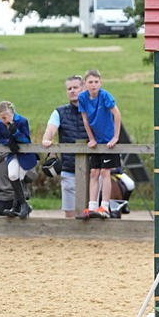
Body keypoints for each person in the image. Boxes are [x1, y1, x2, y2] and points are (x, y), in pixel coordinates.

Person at [77, 68, 122, 219]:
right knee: (94, 172)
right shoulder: (82, 98)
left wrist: (115, 137)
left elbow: (117, 114)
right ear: (85, 84)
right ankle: (92, 207)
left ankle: (105, 206)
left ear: (100, 83)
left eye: (96, 82)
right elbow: (85, 119)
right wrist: (91, 139)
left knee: (105, 172)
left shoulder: (105, 96)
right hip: (96, 140)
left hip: (108, 140)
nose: (93, 85)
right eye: (90, 82)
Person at [40, 74, 86, 218]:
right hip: (69, 168)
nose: (72, 91)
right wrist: (47, 140)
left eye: (75, 87)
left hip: (92, 169)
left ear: (83, 88)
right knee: (70, 214)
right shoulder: (59, 112)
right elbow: (51, 129)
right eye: (69, 88)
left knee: (92, 212)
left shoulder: (94, 109)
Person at [0, 101, 38, 218]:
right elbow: (0, 138)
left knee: (20, 177)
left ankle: (17, 206)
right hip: (13, 154)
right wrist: (8, 142)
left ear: (12, 113)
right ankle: (23, 205)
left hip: (25, 155)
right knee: (13, 175)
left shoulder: (22, 121)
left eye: (7, 116)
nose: (5, 120)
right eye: (2, 118)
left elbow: (26, 139)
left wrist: (16, 132)